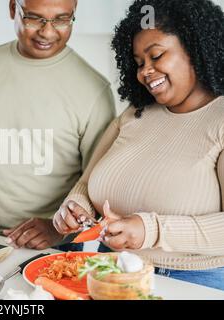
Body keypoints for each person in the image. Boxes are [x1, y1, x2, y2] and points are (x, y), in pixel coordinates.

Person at [53, 0, 224, 290]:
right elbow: (85, 184)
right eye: (139, 62)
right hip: (109, 270)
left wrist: (150, 230)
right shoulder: (135, 113)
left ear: (196, 49)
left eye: (156, 55)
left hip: (189, 281)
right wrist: (75, 208)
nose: (145, 72)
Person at [0, 0, 116, 250]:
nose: (47, 32)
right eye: (34, 18)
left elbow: (98, 183)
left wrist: (57, 228)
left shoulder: (94, 90)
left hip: (51, 245)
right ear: (13, 8)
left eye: (61, 19)